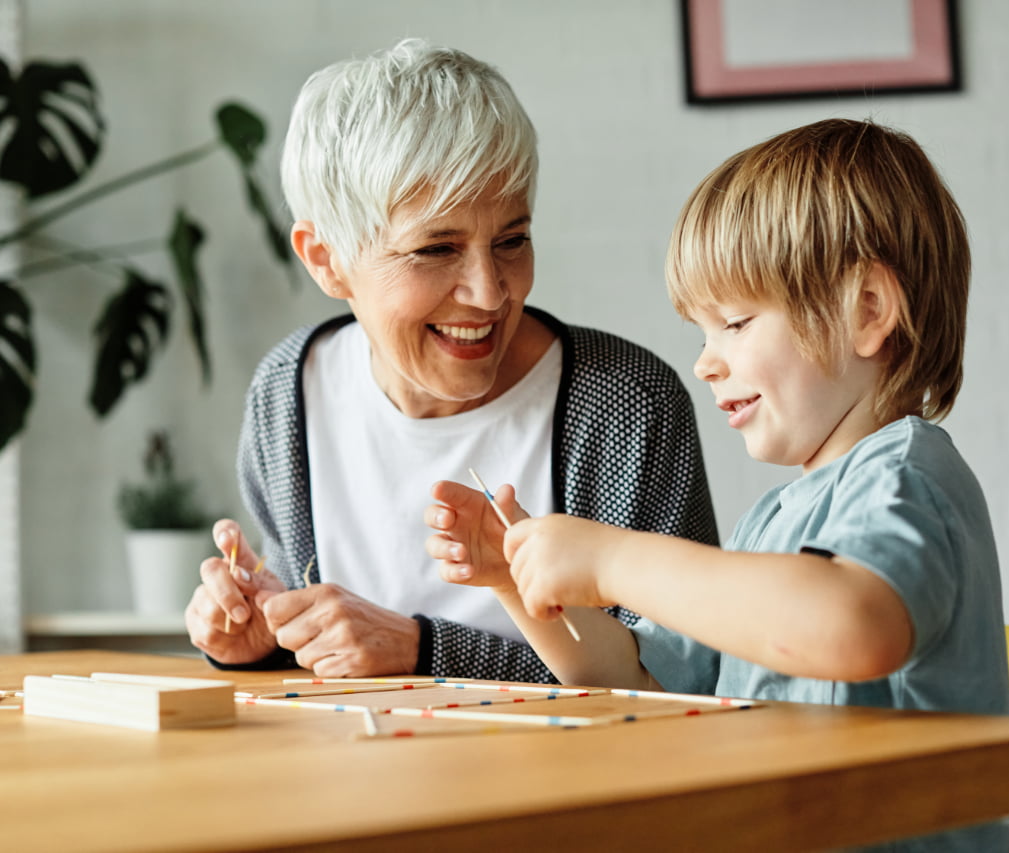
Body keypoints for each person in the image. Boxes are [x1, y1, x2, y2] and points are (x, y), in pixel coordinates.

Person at [426, 118, 1009, 852]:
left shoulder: (906, 478)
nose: (706, 362)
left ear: (867, 311)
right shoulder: (771, 523)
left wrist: (611, 560)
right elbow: (642, 679)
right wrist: (518, 582)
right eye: (702, 333)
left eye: (733, 322)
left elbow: (850, 624)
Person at [184, 38, 718, 682]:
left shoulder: (625, 402)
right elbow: (325, 652)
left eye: (512, 240)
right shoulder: (286, 392)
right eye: (436, 249)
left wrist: (424, 650)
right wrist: (261, 634)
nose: (491, 292)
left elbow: (680, 678)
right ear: (326, 260)